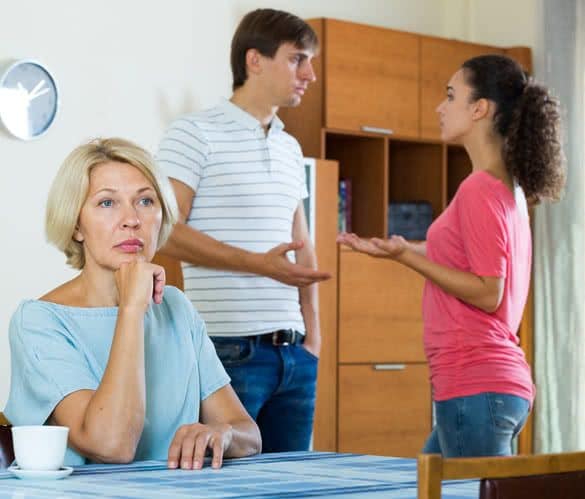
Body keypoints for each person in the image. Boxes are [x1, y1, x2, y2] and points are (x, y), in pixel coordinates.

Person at [338, 54, 565, 457]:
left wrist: (409, 259)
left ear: (480, 108)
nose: (441, 108)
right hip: (489, 386)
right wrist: (401, 249)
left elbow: (487, 291)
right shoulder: (504, 188)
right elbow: (467, 255)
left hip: (476, 384)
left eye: (450, 96)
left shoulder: (479, 188)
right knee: (426, 480)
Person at [4, 138, 261, 468]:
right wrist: (131, 308)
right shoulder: (38, 322)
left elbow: (248, 433)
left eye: (145, 200)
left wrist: (223, 435)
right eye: (107, 203)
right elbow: (112, 445)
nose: (131, 219)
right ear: (76, 224)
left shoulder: (177, 308)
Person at [156, 8, 329, 453]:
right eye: (297, 59)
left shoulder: (291, 147)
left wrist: (313, 334)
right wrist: (258, 265)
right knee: (224, 482)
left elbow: (302, 245)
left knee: (295, 486)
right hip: (227, 349)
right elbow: (165, 231)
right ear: (255, 60)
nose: (309, 73)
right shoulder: (194, 133)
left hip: (295, 354)